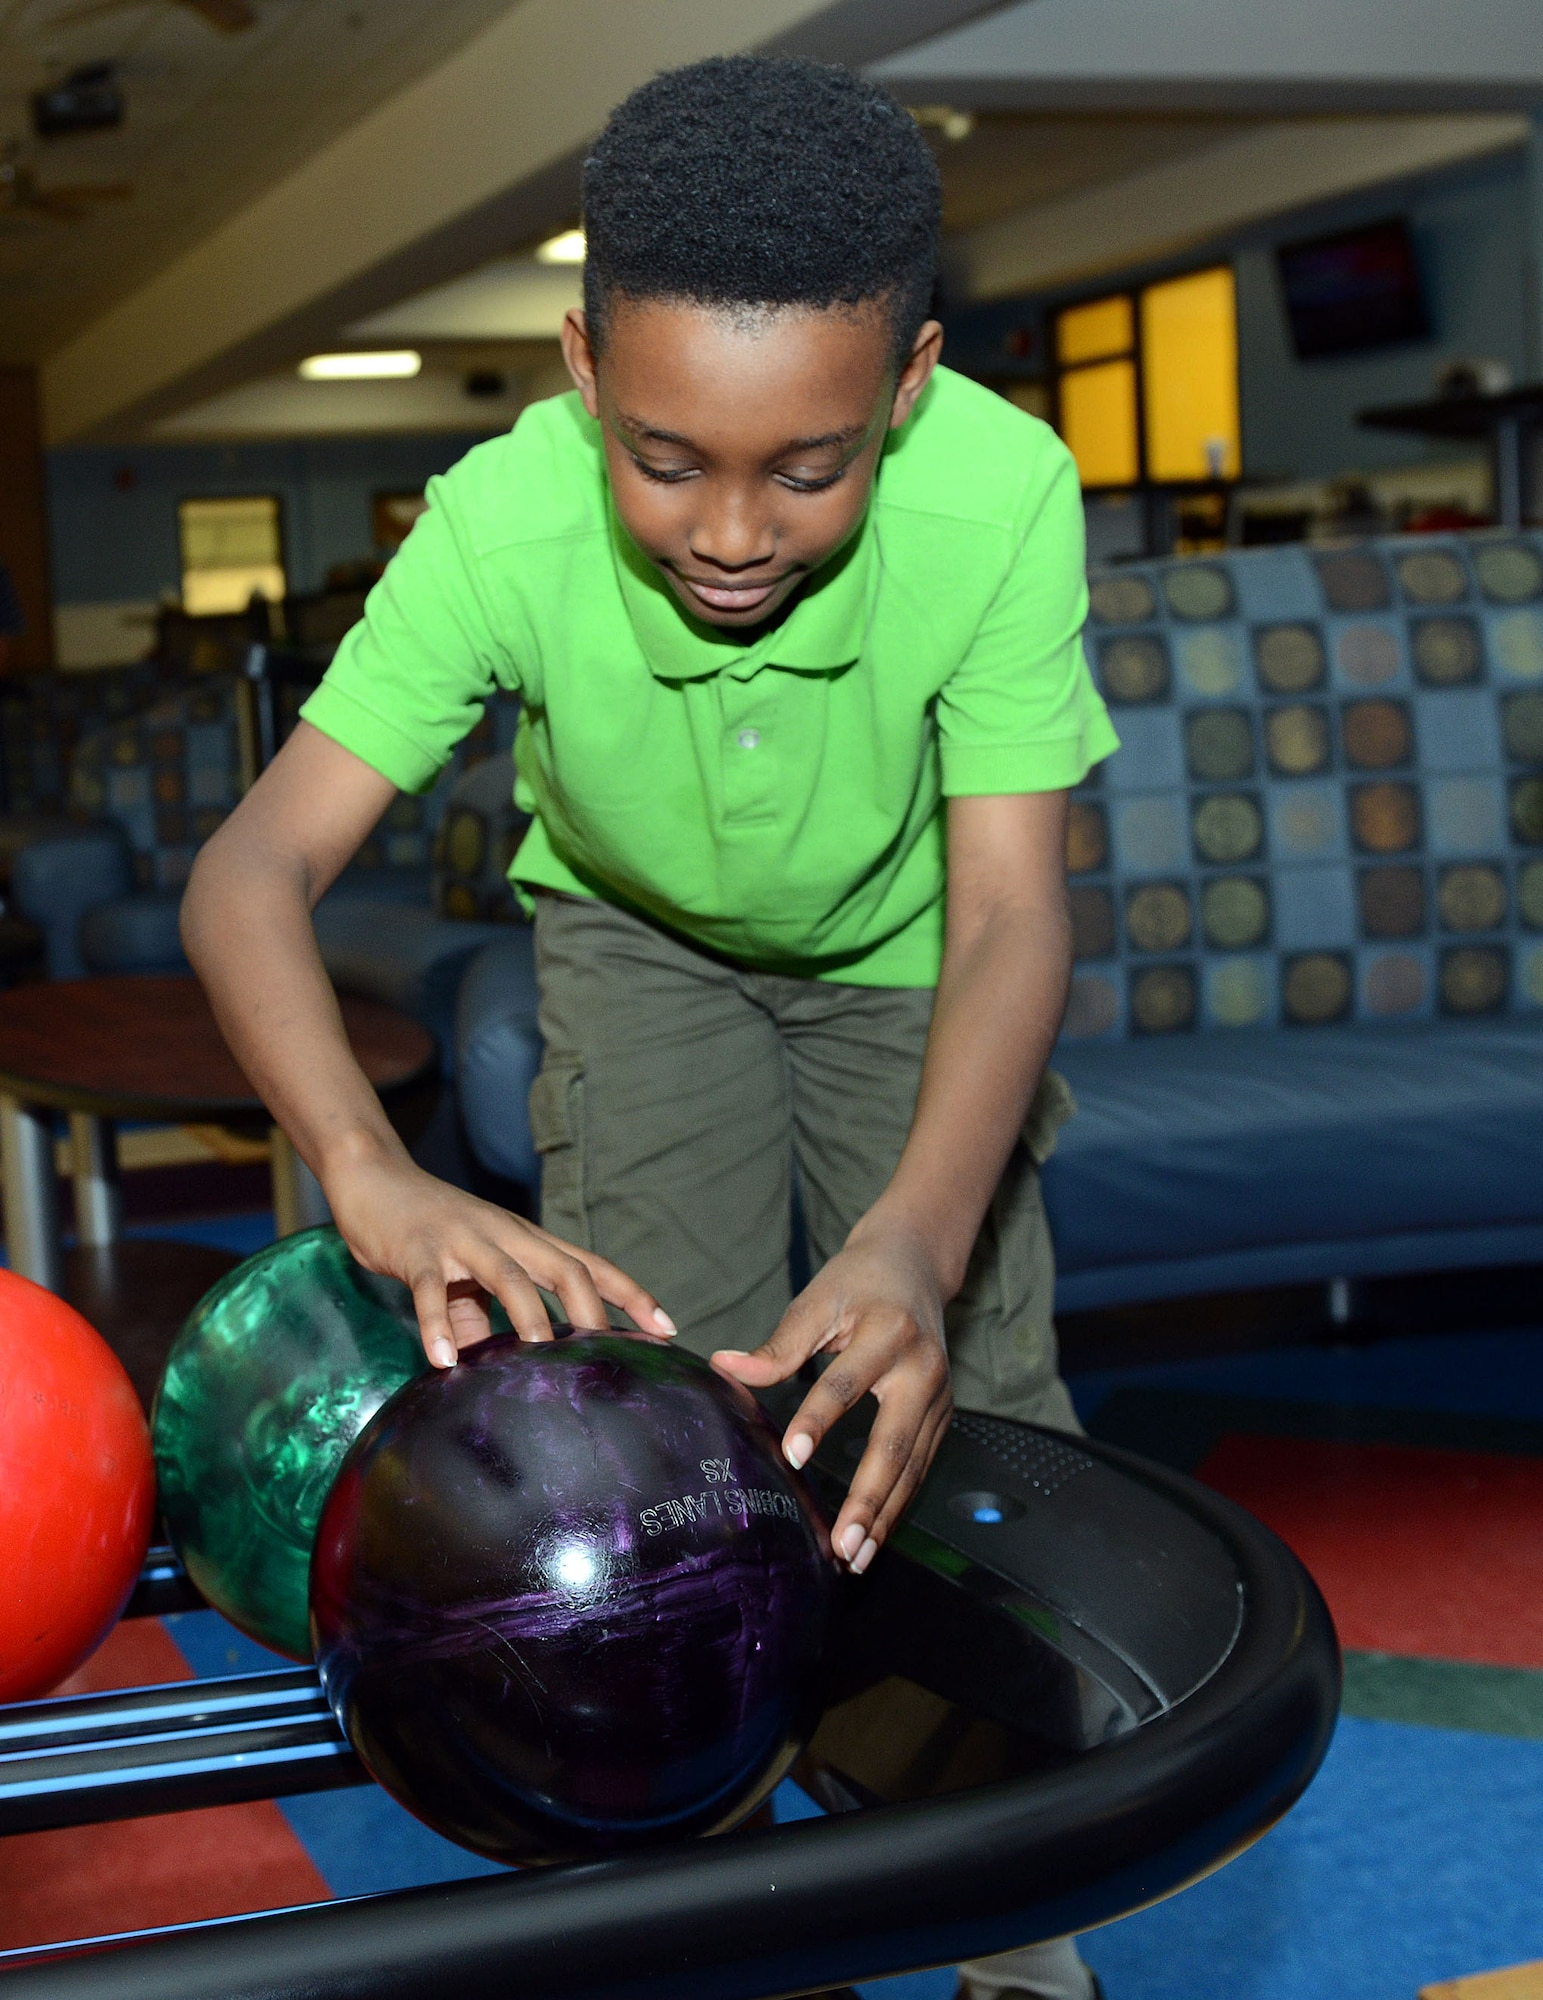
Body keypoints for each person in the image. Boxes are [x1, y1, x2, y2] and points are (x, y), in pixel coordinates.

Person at [181, 56, 1116, 2000]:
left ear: (913, 385)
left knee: (954, 1414)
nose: (734, 530)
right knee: (664, 1436)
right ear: (582, 373)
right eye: (668, 456)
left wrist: (920, 1244)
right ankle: (707, 1912)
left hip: (912, 958)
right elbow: (248, 876)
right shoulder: (500, 524)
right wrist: (366, 1167)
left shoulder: (1006, 490)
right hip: (637, 947)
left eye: (811, 464)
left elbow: (1018, 904)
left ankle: (1005, 1929)